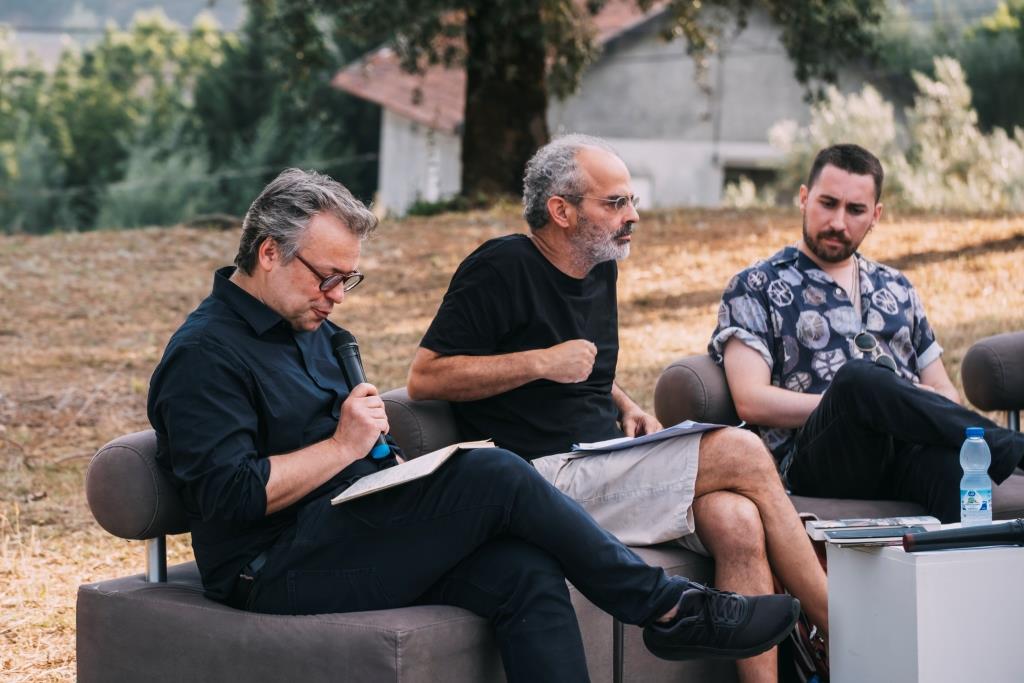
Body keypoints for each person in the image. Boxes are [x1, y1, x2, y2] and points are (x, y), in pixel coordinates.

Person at [146, 168, 799, 683]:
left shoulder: (310, 324)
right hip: (271, 567)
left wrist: (389, 468)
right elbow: (229, 495)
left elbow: (358, 449)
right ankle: (665, 606)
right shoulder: (206, 354)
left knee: (524, 570)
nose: (338, 296)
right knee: (490, 470)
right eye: (328, 277)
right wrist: (343, 445)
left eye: (349, 279)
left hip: (348, 528)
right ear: (269, 252)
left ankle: (666, 610)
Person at [407, 135, 825, 683]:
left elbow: (583, 366)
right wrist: (540, 362)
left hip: (603, 459)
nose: (633, 216)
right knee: (743, 451)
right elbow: (425, 377)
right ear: (561, 211)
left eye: (631, 200)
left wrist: (623, 401)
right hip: (538, 480)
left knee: (737, 520)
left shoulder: (600, 265)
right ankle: (843, 634)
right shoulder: (501, 267)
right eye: (615, 203)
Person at [710, 143, 1024, 523]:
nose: (838, 222)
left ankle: (965, 560)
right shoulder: (754, 285)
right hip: (819, 459)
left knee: (957, 478)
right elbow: (751, 400)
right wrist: (861, 403)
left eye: (855, 210)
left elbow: (943, 390)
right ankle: (1012, 449)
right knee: (859, 381)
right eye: (828, 204)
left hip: (903, 454)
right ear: (804, 198)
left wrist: (898, 402)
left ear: (875, 215)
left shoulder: (897, 287)